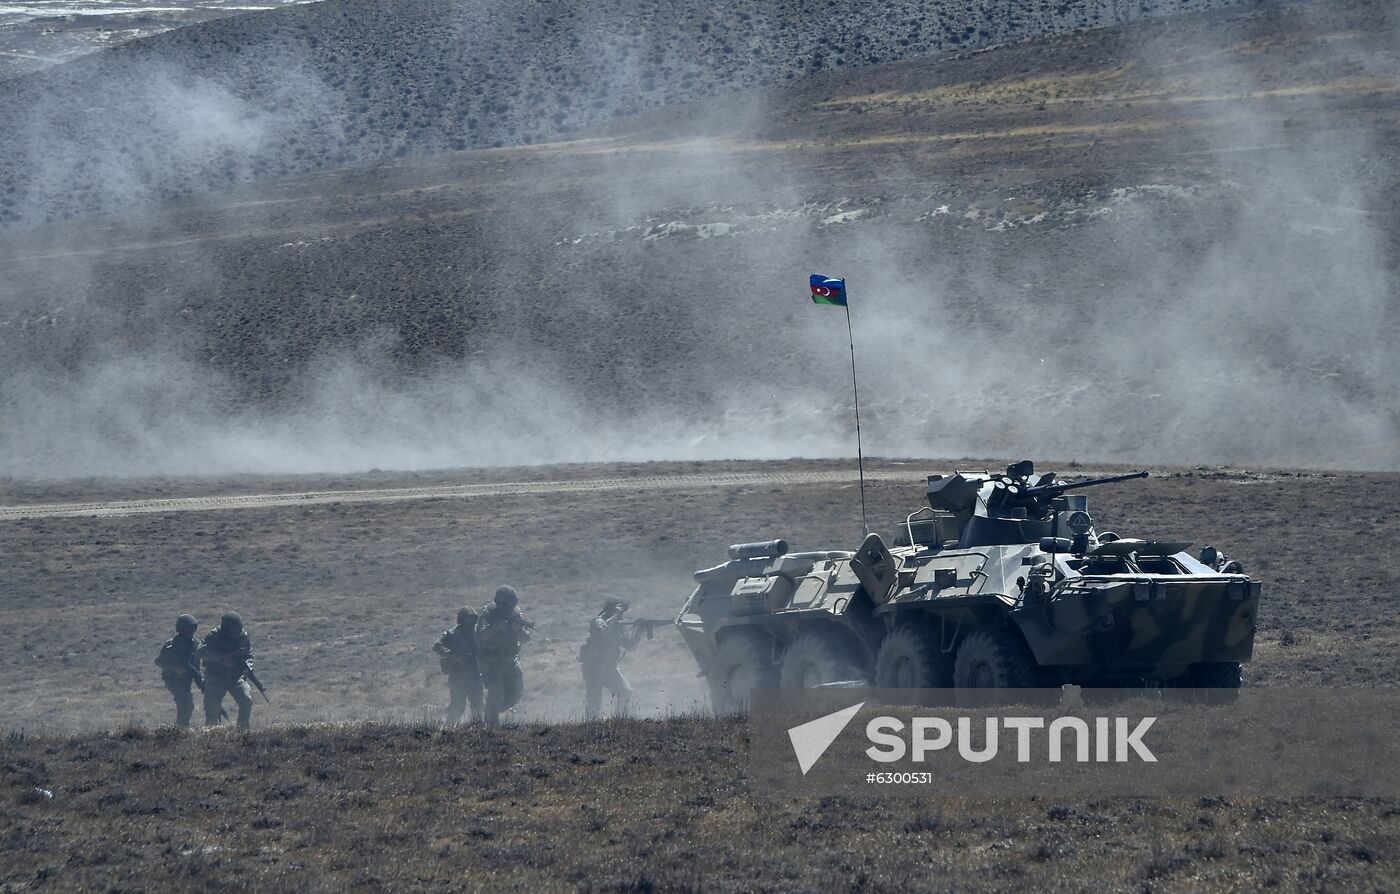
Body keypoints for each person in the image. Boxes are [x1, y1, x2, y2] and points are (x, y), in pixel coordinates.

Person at [475, 586, 530, 726]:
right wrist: (495, 628)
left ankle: (490, 712)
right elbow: (480, 635)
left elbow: (526, 637)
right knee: (497, 692)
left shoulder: (517, 613)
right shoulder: (488, 613)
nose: (510, 609)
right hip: (490, 662)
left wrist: (518, 631)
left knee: (516, 692)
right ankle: (491, 727)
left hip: (510, 661)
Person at [579, 598, 643, 720]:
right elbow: (605, 631)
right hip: (594, 669)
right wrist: (616, 615)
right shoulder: (597, 622)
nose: (622, 615)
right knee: (594, 705)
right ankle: (590, 730)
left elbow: (630, 646)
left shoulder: (617, 627)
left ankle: (618, 721)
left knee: (625, 692)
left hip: (610, 668)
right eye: (619, 610)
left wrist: (639, 631)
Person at [198, 611, 255, 730]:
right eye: (233, 631)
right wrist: (220, 657)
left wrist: (248, 667)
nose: (237, 633)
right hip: (215, 676)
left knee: (246, 700)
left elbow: (248, 655)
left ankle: (243, 732)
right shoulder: (214, 635)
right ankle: (210, 735)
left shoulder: (242, 636)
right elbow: (199, 652)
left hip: (235, 676)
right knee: (212, 709)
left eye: (238, 630)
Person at [433, 606, 483, 724]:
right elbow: (436, 646)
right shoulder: (451, 634)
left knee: (478, 706)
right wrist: (451, 656)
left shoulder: (478, 633)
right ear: (461, 620)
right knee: (457, 705)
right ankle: (449, 729)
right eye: (467, 620)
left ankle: (479, 731)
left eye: (472, 620)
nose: (470, 623)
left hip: (475, 675)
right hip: (457, 676)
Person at [154, 614, 201, 727]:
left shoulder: (196, 645)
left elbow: (196, 666)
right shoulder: (171, 645)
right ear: (181, 630)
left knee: (189, 706)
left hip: (186, 680)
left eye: (192, 630)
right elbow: (159, 661)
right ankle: (180, 730)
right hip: (173, 680)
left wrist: (200, 680)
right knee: (184, 704)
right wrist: (173, 667)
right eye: (187, 631)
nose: (190, 633)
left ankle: (182, 728)